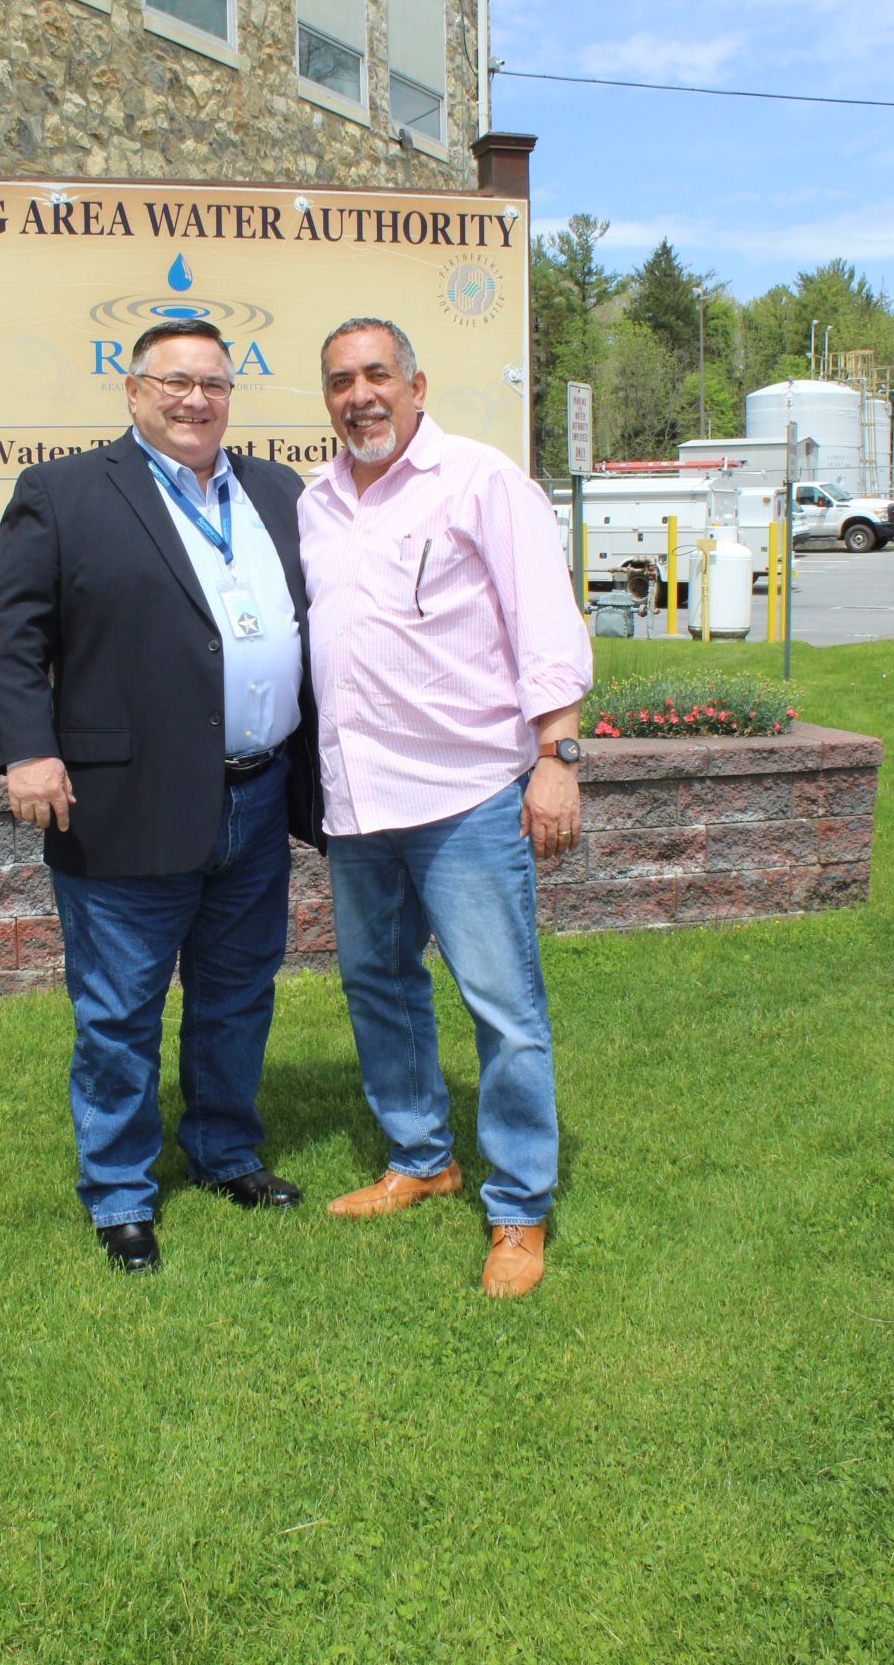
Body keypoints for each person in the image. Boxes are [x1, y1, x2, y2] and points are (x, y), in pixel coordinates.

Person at [0, 319, 320, 1274]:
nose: (194, 400)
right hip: (121, 799)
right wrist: (28, 754)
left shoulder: (274, 490)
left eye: (213, 383)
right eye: (173, 382)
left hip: (256, 798)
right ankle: (122, 1194)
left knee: (237, 992)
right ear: (132, 392)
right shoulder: (64, 493)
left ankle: (223, 1153)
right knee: (120, 1007)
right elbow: (12, 639)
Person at [298, 317, 592, 1298]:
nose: (359, 395)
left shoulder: (479, 480)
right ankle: (420, 1159)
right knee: (377, 988)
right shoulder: (314, 502)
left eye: (376, 374)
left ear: (415, 385)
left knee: (501, 1008)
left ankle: (517, 1211)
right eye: (340, 380)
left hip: (465, 791)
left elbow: (543, 620)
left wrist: (554, 756)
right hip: (357, 798)